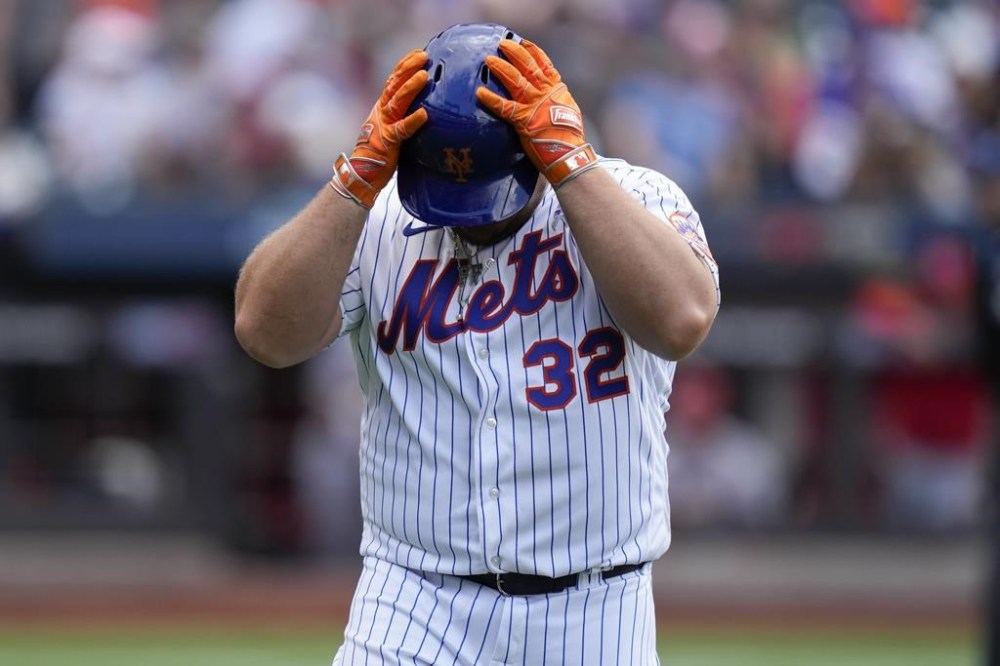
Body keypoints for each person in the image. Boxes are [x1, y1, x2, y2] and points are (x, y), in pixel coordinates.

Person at [234, 23, 719, 665]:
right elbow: (264, 333)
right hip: (412, 603)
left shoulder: (638, 199)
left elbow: (682, 320)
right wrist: (353, 181)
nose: (471, 214)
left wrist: (572, 165)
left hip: (597, 608)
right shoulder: (376, 220)